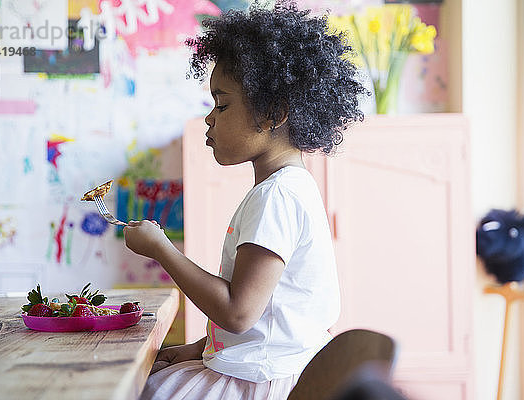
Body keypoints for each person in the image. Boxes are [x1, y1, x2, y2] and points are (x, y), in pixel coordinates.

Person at [123, 2, 365, 399]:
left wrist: (161, 250)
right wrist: (202, 349)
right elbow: (272, 319)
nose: (209, 118)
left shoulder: (277, 197)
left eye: (221, 103)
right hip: (268, 369)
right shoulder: (290, 188)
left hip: (260, 385)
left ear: (273, 113)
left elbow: (238, 313)